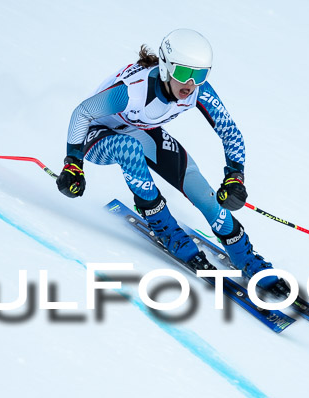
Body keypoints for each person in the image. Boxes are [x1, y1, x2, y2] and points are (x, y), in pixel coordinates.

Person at [56, 28, 286, 295]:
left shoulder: (198, 91)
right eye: (183, 73)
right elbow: (83, 112)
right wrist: (73, 163)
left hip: (139, 129)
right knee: (129, 148)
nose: (190, 83)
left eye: (199, 75)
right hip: (94, 136)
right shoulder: (134, 90)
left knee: (199, 186)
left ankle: (244, 256)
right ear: (165, 68)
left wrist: (235, 176)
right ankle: (164, 226)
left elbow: (229, 131)